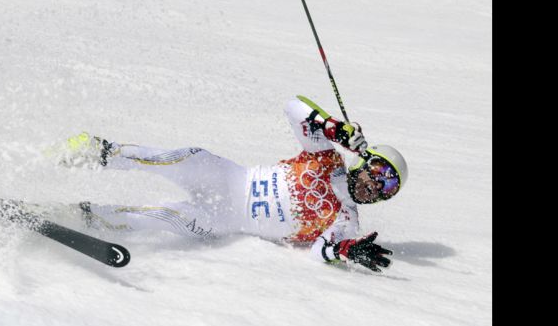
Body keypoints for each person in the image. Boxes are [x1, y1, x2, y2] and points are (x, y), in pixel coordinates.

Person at [50, 95, 408, 273]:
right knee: (180, 158)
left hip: (222, 220)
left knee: (159, 216)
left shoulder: (345, 219)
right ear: (365, 160)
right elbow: (292, 106)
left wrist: (345, 251)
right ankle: (95, 151)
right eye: (379, 174)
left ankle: (77, 216)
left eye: (387, 188)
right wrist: (331, 126)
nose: (376, 187)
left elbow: (319, 252)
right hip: (229, 179)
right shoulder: (325, 157)